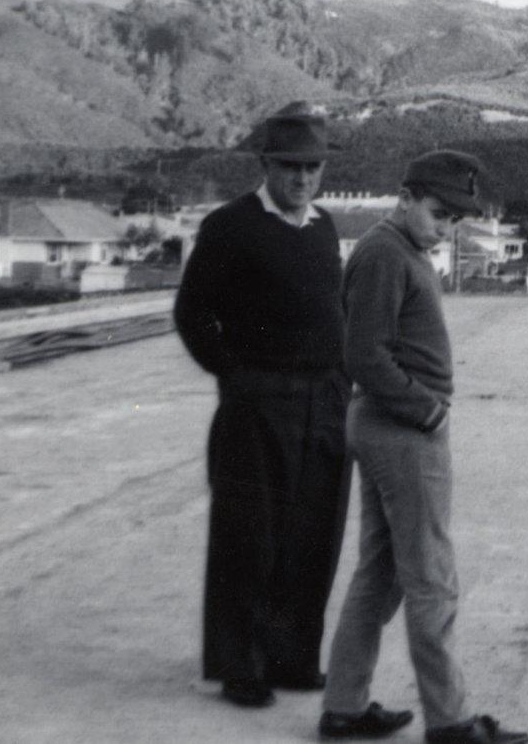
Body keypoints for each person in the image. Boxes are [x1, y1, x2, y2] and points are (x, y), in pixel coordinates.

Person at [319, 150, 528, 744]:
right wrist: (428, 409)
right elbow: (363, 354)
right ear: (405, 198)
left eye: (455, 220)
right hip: (403, 431)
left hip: (390, 427)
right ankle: (452, 721)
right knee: (432, 580)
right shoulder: (386, 253)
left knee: (382, 574)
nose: (446, 228)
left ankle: (343, 705)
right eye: (438, 213)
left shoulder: (400, 249)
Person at [173, 102, 360, 712]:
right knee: (248, 536)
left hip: (325, 403)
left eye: (312, 167)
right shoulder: (230, 226)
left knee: (313, 535)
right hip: (260, 404)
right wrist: (235, 377)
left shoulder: (325, 227)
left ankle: (290, 660)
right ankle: (238, 666)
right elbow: (193, 313)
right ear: (266, 164)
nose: (302, 178)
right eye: (290, 167)